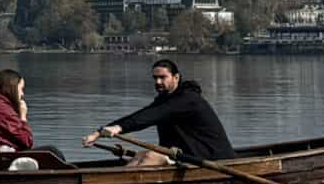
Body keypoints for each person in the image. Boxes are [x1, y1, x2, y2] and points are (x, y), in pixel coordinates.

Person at [80, 58, 232, 167]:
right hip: (184, 154)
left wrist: (117, 128)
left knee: (151, 156)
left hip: (212, 157)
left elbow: (148, 117)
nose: (158, 82)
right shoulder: (165, 100)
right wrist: (99, 132)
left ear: (176, 77)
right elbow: (143, 114)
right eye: (155, 78)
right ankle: (115, 183)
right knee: (141, 155)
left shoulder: (188, 99)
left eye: (162, 77)